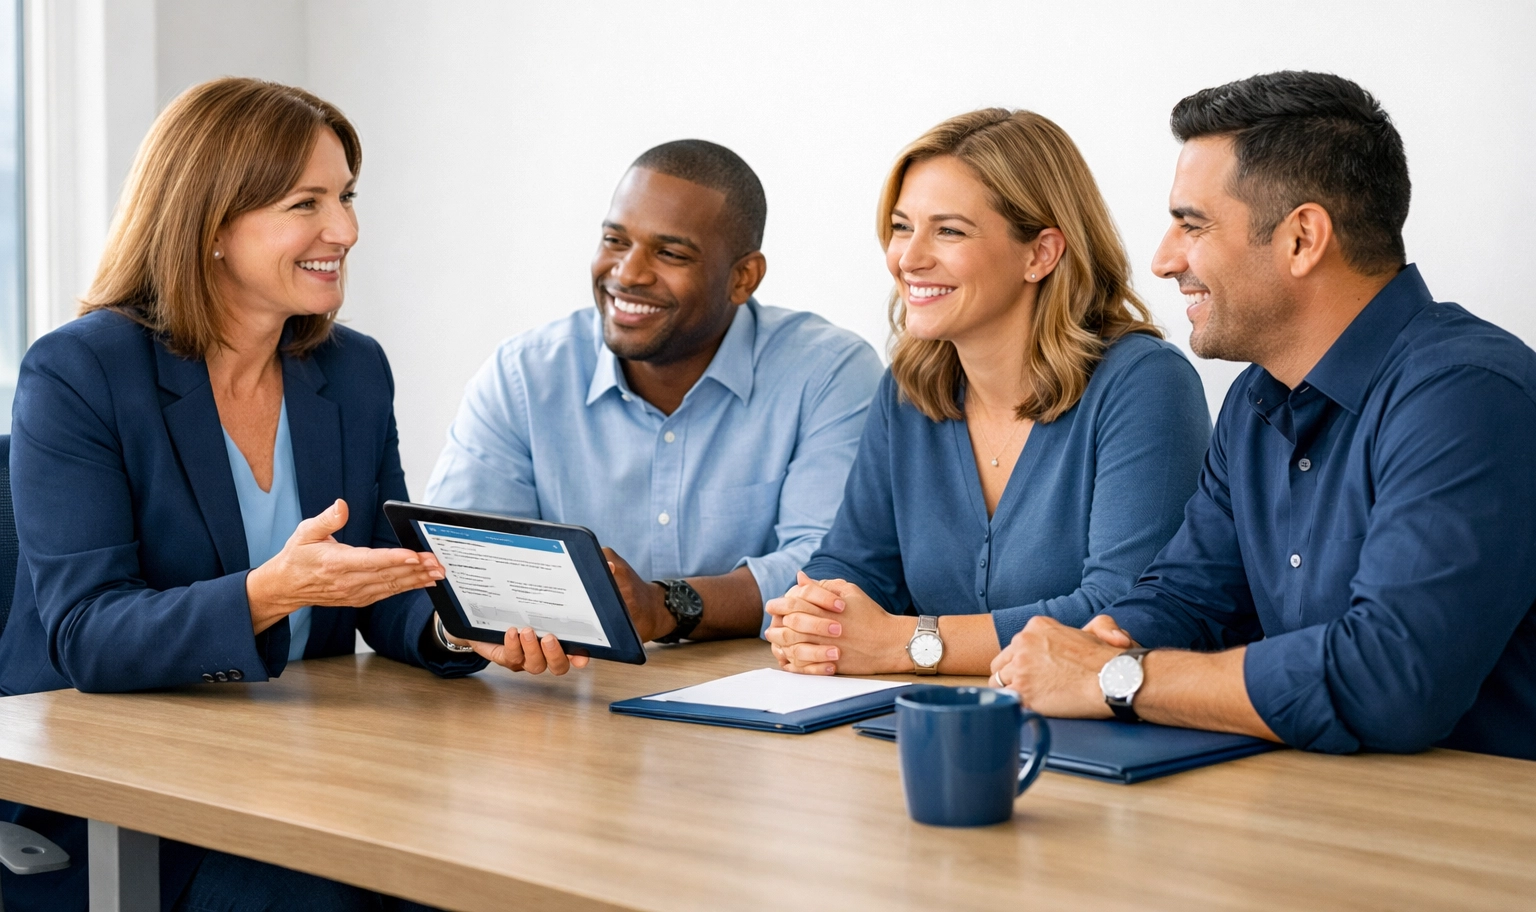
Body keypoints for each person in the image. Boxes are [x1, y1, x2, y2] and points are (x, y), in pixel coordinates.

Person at [0, 78, 477, 911]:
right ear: (212, 225)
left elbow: (378, 578)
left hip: (305, 768)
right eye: (306, 204)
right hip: (120, 799)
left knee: (472, 870)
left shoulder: (352, 371)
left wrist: (457, 625)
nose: (346, 231)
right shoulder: (80, 373)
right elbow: (88, 634)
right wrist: (268, 594)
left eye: (346, 197)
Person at [991, 71, 1536, 761]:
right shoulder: (1255, 400)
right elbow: (1190, 599)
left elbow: (1391, 681)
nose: (1162, 260)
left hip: (1464, 818)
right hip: (1309, 799)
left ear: (1302, 238)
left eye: (1192, 225)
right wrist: (1095, 645)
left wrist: (1112, 677)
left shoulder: (1467, 396)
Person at [764, 109, 1210, 677]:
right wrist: (816, 619)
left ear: (1040, 254)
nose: (909, 258)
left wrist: (906, 643)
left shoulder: (1144, 383)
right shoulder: (908, 388)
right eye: (901, 227)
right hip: (932, 718)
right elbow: (855, 563)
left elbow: (1123, 613)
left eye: (948, 231)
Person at [424, 140, 883, 667]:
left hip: (762, 696)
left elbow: (830, 572)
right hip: (568, 692)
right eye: (615, 240)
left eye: (670, 254)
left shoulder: (828, 373)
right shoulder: (524, 376)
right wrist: (467, 630)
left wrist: (664, 606)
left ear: (743, 278)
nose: (628, 273)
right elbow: (457, 558)